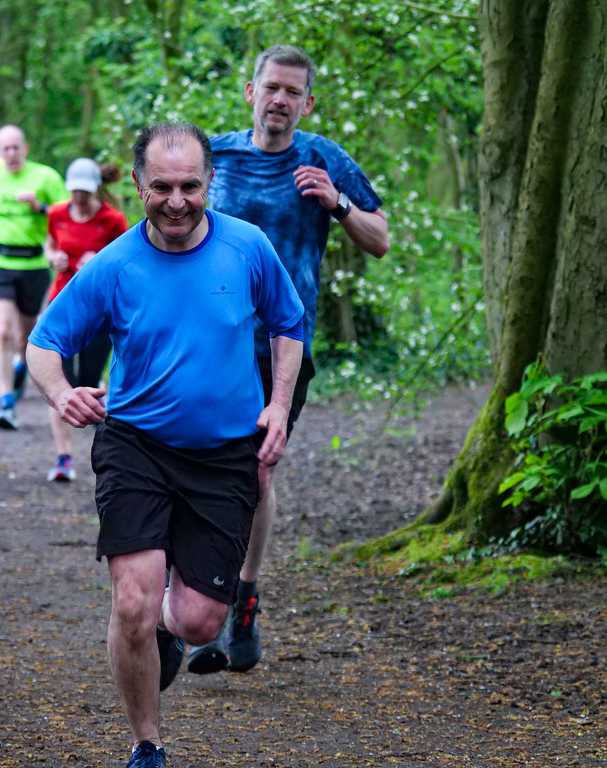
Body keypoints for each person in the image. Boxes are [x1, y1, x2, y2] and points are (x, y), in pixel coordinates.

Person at [26, 122, 304, 768]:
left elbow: (289, 323)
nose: (176, 201)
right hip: (136, 446)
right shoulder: (114, 265)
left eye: (189, 187)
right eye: (161, 187)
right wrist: (61, 392)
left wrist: (279, 404)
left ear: (210, 183)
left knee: (202, 621)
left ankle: (165, 630)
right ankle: (147, 745)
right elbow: (43, 343)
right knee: (132, 600)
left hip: (224, 455)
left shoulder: (248, 247)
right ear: (137, 185)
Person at [187, 44, 390, 675]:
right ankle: (193, 605)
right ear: (251, 92)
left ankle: (241, 603)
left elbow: (380, 239)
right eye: (271, 87)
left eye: (292, 92)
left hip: (281, 347)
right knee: (192, 468)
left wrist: (338, 203)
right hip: (205, 340)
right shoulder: (213, 156)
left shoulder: (323, 160)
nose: (280, 100)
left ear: (308, 103)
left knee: (256, 474)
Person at [42, 158, 128, 482]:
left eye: (85, 192)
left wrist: (100, 260)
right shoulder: (56, 214)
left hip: (99, 310)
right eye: (74, 191)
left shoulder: (112, 219)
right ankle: (63, 457)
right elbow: (50, 245)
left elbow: (127, 260)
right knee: (59, 382)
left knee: (87, 381)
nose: (79, 197)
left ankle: (107, 449)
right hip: (61, 304)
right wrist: (53, 257)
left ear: (95, 189)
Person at [0, 125, 68, 430]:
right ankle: (6, 403)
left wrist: (40, 207)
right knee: (1, 330)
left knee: (24, 338)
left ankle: (19, 369)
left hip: (33, 263)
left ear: (25, 148)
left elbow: (68, 214)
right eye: (5, 148)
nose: (11, 153)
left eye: (16, 147)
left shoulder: (45, 177)